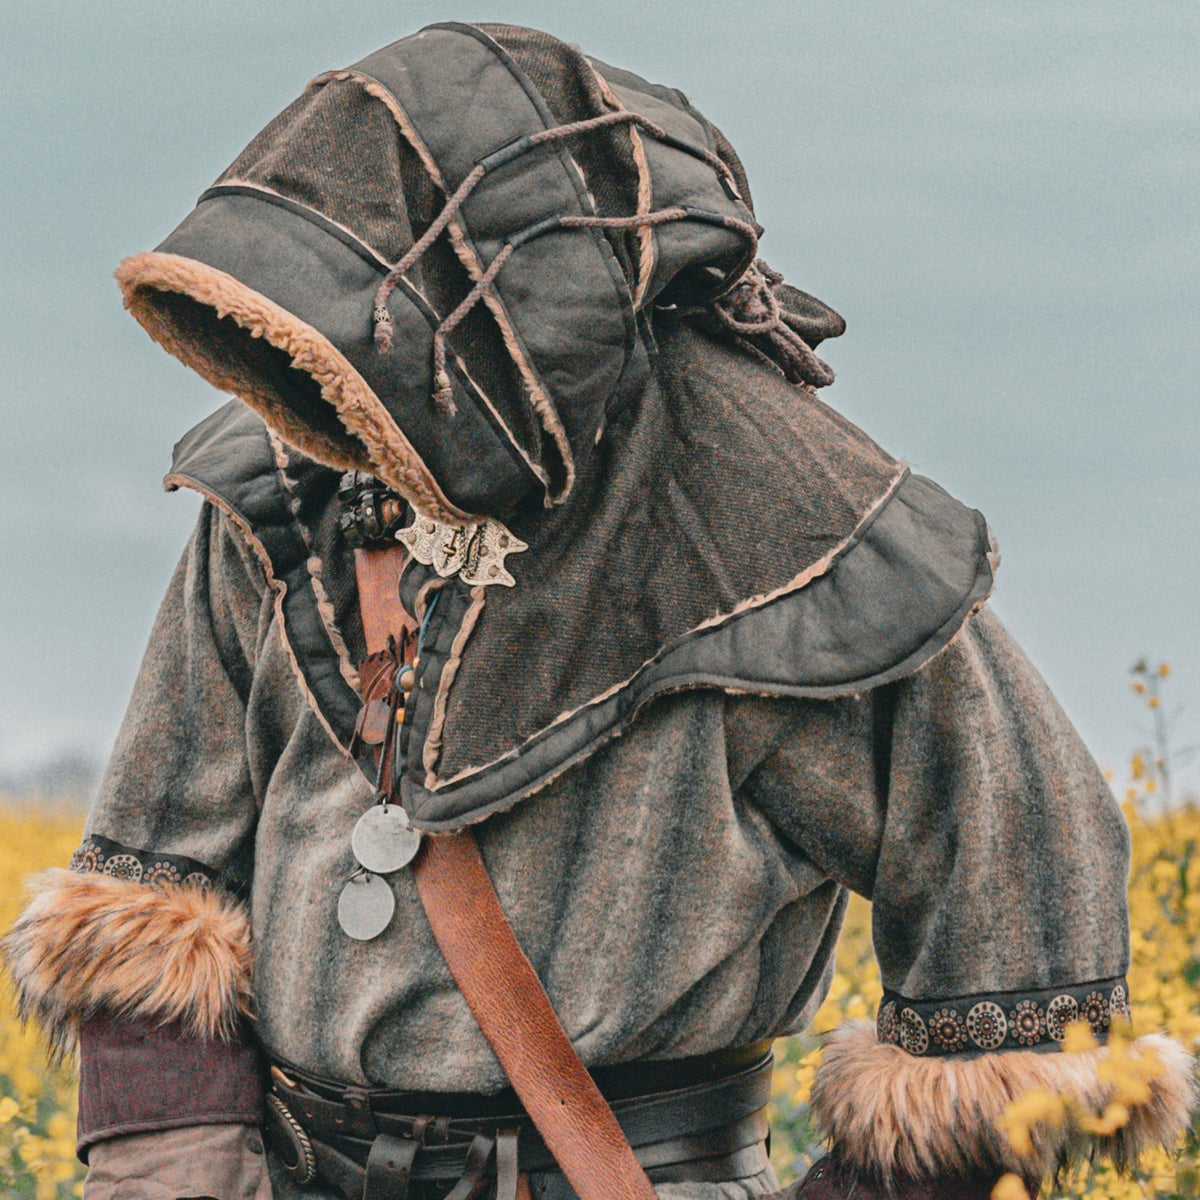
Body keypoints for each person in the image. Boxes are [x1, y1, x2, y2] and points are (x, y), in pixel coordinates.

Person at [5, 21, 1194, 1200]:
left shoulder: (798, 530)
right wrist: (178, 1178)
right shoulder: (291, 486)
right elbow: (156, 885)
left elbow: (1023, 899)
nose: (329, 394)